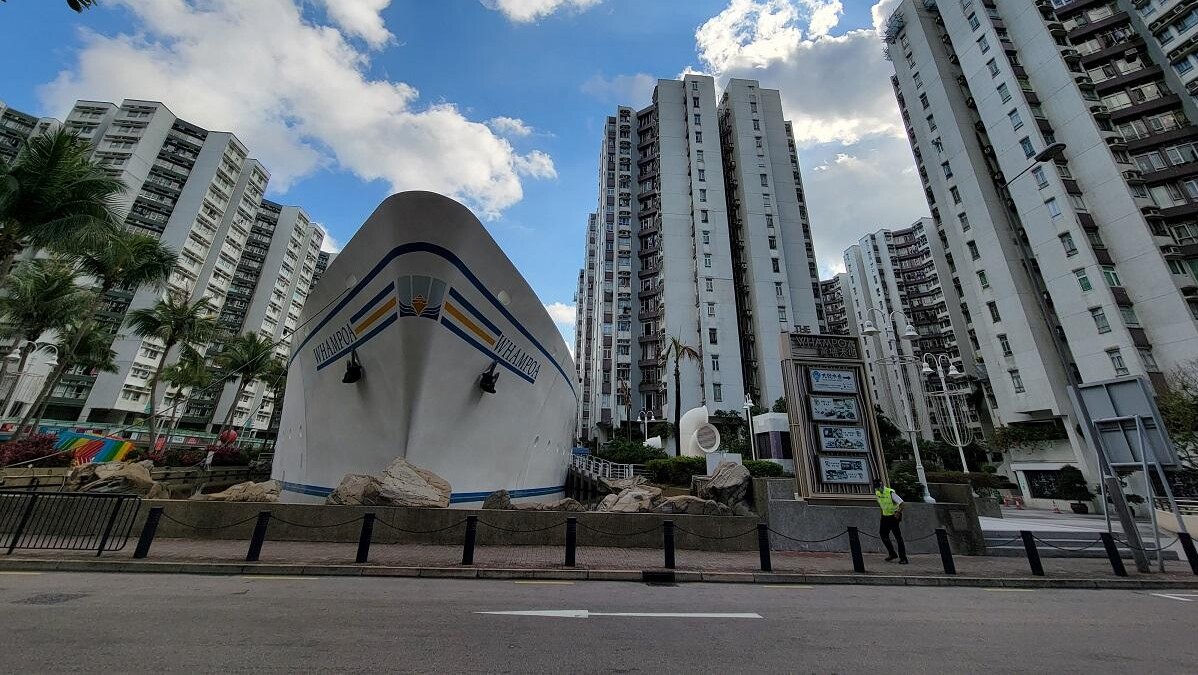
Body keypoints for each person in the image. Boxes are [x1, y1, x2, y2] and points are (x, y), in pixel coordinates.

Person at [873, 479, 907, 564]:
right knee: (883, 534)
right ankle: (892, 553)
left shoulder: (890, 492)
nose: (877, 489)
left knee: (898, 537)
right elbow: (881, 505)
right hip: (885, 517)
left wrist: (898, 513)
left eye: (878, 487)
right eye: (876, 488)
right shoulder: (877, 493)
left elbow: (902, 504)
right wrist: (882, 515)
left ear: (882, 485)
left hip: (893, 517)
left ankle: (903, 558)